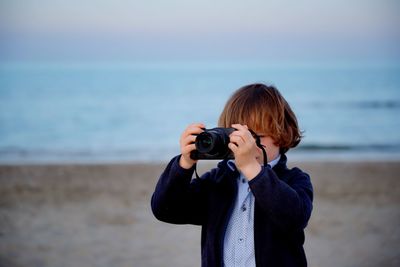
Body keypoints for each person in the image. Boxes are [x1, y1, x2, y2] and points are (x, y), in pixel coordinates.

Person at [151, 83, 313, 267]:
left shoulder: (295, 180)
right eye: (238, 136)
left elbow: (293, 217)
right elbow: (165, 209)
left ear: (284, 133)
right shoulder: (217, 182)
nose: (246, 144)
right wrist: (184, 164)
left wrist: (252, 169)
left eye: (253, 136)